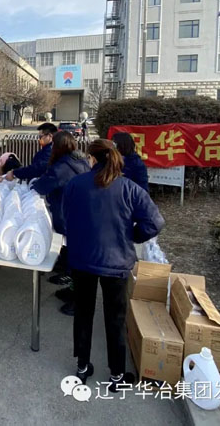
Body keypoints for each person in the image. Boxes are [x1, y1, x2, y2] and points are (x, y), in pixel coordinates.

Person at [62, 139, 164, 390]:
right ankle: (117, 375)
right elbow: (155, 222)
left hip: (82, 260)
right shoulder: (129, 188)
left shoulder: (75, 184)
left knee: (83, 314)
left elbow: (63, 218)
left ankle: (82, 367)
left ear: (93, 159)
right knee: (115, 318)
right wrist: (132, 236)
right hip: (117, 262)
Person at [31, 131, 92, 316]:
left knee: (78, 260)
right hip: (79, 213)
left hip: (69, 213)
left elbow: (43, 186)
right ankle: (71, 288)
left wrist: (35, 184)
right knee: (74, 253)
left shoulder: (62, 167)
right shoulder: (80, 160)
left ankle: (77, 301)